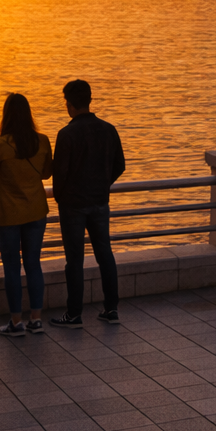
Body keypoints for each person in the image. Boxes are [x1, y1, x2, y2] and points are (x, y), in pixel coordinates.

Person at [47, 79, 125, 328]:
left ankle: (74, 314)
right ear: (90, 100)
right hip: (100, 202)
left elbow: (60, 174)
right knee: (105, 254)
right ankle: (111, 308)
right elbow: (120, 165)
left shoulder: (66, 134)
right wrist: (102, 184)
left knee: (74, 260)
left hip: (73, 205)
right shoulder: (108, 129)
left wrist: (61, 196)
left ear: (69, 104)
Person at [0, 93, 52, 337]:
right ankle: (36, 319)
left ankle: (16, 322)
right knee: (33, 264)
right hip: (36, 209)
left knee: (12, 267)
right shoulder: (42, 141)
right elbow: (46, 174)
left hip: (8, 212)